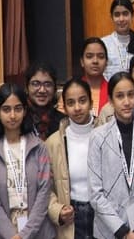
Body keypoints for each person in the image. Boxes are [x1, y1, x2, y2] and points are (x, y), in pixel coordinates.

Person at [87, 73, 134, 239]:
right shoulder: (98, 137)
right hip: (109, 231)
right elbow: (95, 194)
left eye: (131, 95)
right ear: (110, 100)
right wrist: (124, 233)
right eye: (119, 96)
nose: (126, 102)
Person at [0, 83, 55, 239]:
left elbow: (44, 193)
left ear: (25, 111)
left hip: (38, 231)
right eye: (6, 109)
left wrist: (25, 235)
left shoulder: (39, 147)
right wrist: (12, 236)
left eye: (18, 108)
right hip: (3, 233)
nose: (13, 115)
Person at [44, 79, 96, 239]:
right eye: (71, 103)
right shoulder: (53, 143)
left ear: (91, 102)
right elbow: (45, 188)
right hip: (71, 217)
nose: (78, 108)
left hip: (102, 214)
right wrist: (57, 211)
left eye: (82, 100)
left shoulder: (104, 134)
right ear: (64, 107)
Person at [103, 0, 134, 79]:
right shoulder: (104, 44)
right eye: (117, 15)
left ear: (132, 16)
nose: (121, 19)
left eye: (125, 14)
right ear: (112, 18)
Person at [25, 62, 61, 141]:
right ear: (26, 88)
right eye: (35, 84)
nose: (42, 90)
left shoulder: (63, 122)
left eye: (47, 84)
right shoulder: (19, 119)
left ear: (55, 89)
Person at [79, 39, 110, 117]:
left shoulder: (113, 91)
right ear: (82, 61)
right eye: (89, 56)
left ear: (106, 62)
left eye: (101, 57)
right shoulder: (72, 91)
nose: (95, 61)